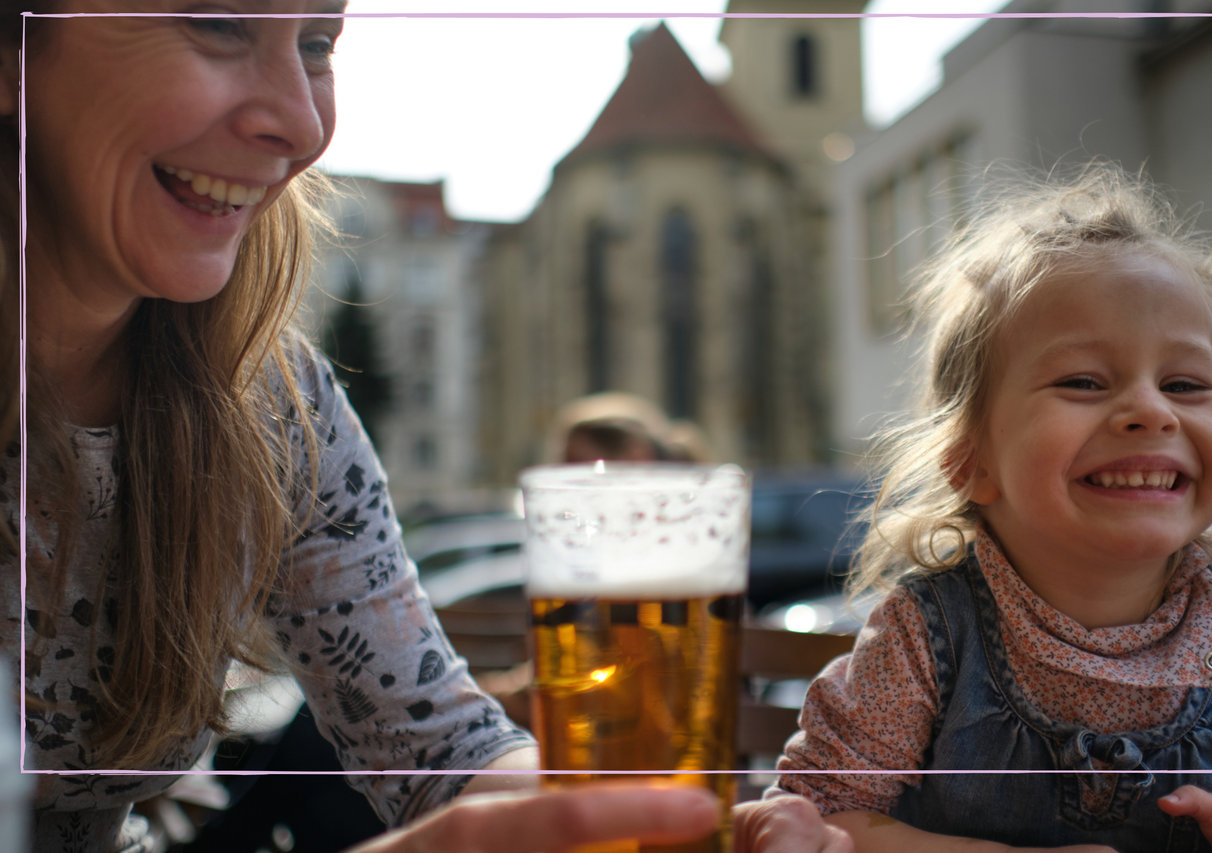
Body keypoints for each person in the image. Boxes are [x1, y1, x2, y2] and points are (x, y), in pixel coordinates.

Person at [0, 4, 849, 853]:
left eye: (317, 45)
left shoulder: (274, 403)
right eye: (219, 22)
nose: (301, 122)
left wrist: (641, 828)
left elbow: (440, 747)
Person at [772, 165, 1212, 852]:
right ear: (969, 460)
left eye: (1185, 383)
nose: (1151, 411)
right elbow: (819, 818)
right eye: (1082, 380)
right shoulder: (924, 637)